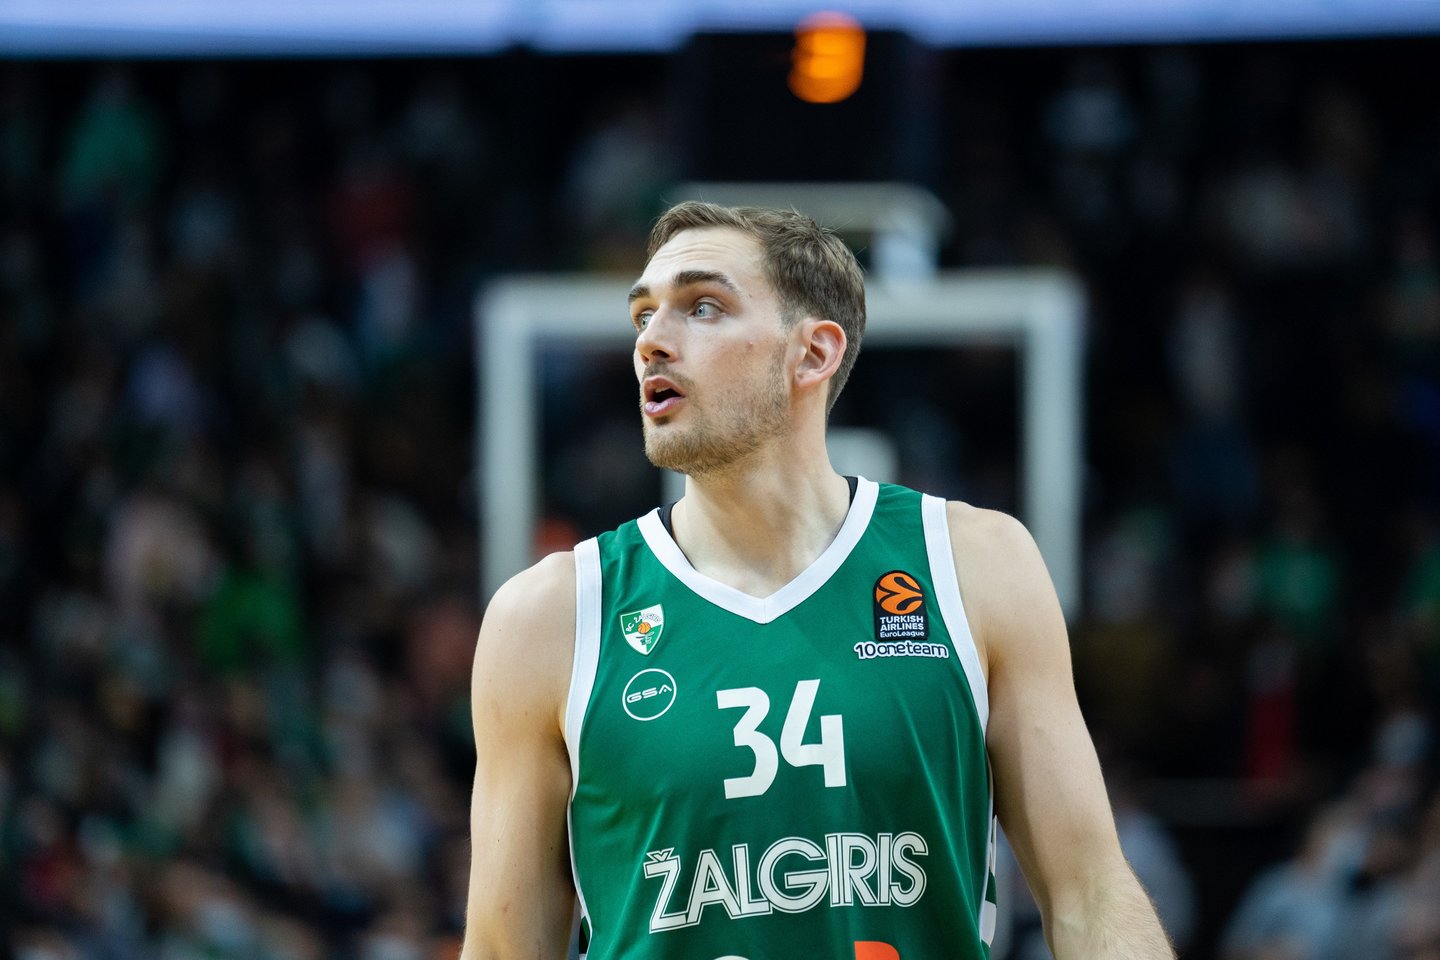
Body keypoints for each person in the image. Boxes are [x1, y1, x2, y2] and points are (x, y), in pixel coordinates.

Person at [460, 201, 1174, 959]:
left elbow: (1090, 893)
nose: (651, 341)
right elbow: (503, 950)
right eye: (643, 314)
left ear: (813, 354)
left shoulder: (974, 564)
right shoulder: (550, 616)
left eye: (702, 307)